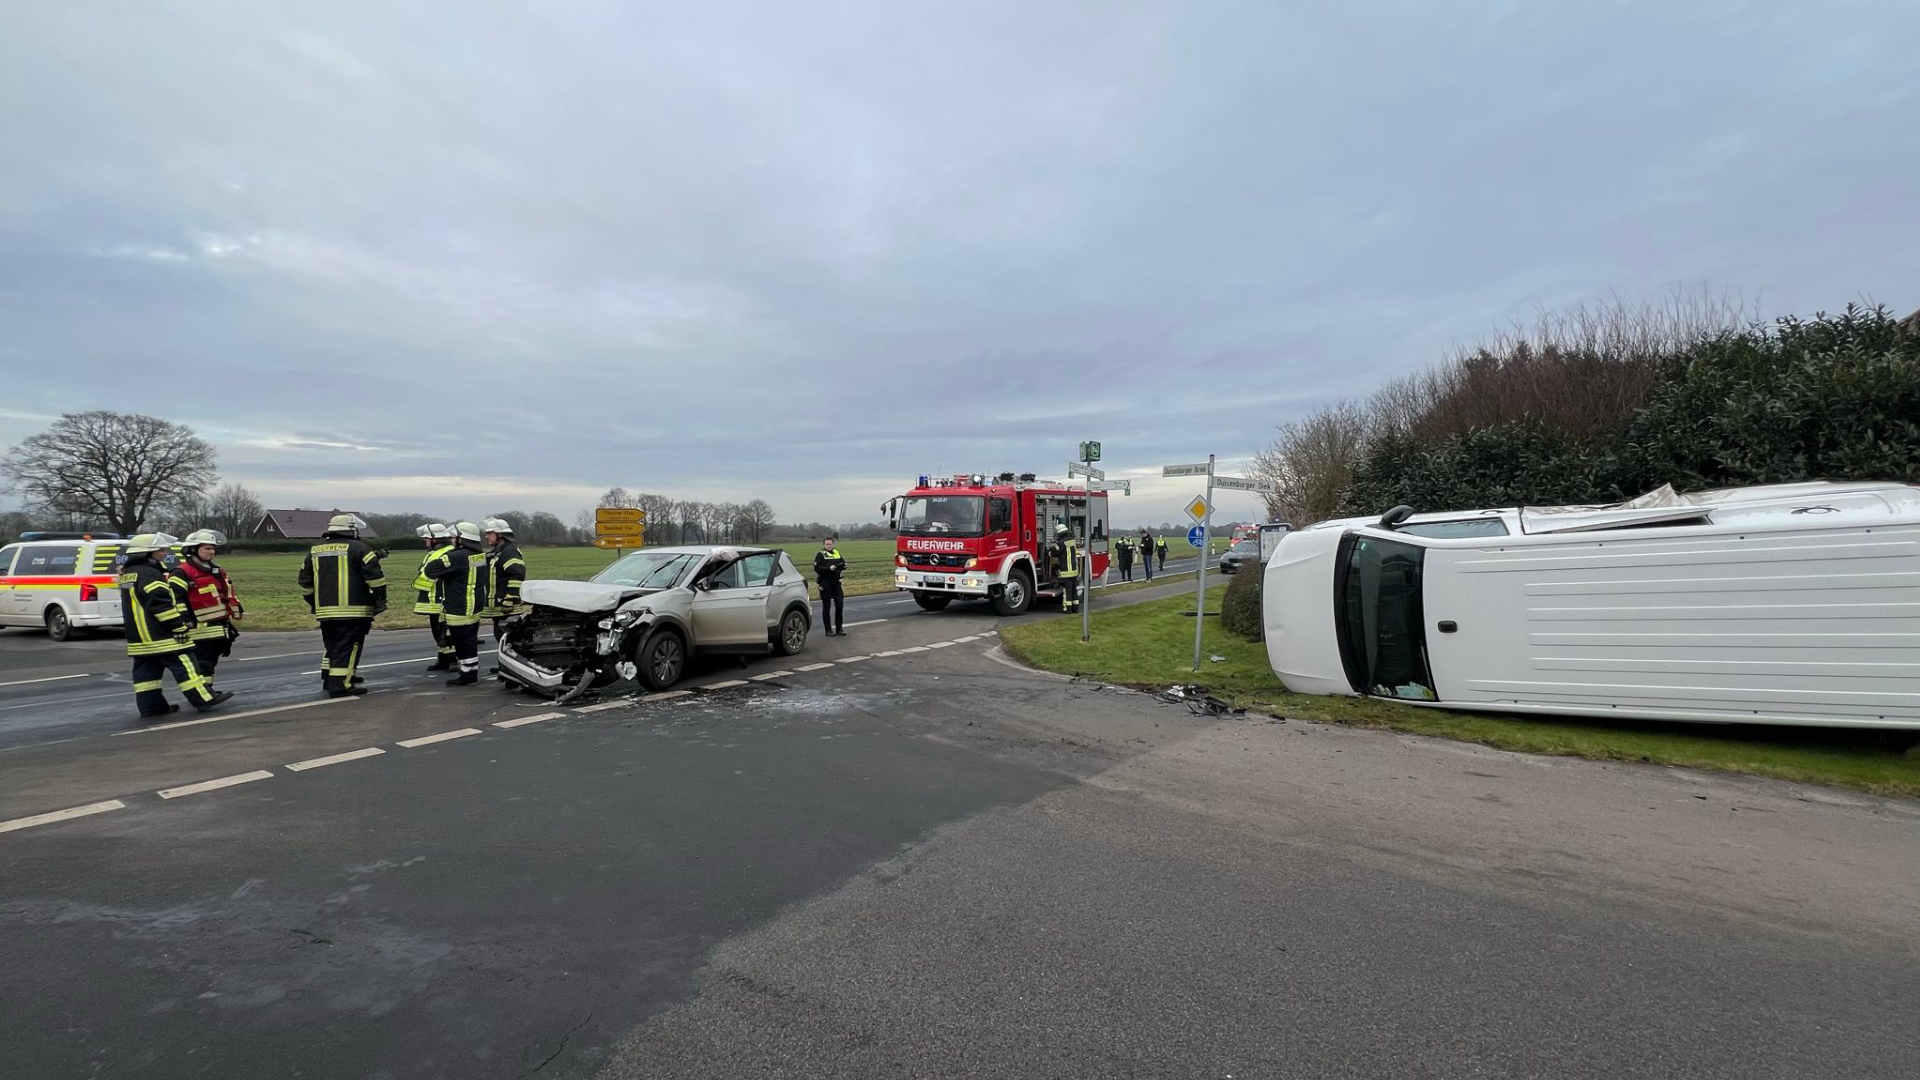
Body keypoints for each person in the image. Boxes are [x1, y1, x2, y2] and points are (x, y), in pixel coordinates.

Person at [118, 532, 230, 718]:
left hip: (138, 638)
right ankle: (203, 698)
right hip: (161, 636)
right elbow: (161, 605)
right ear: (148, 553)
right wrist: (178, 627)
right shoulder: (150, 575)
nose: (164, 553)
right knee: (186, 666)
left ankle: (152, 708)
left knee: (146, 677)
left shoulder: (128, 575)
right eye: (161, 550)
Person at [298, 513, 386, 698]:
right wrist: (379, 602)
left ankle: (331, 679)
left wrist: (314, 603)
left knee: (332, 646)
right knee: (349, 646)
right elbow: (376, 580)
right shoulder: (362, 548)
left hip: (325, 611)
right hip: (355, 610)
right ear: (351, 529)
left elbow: (305, 582)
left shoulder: (315, 550)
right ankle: (340, 685)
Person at [175, 528, 243, 685]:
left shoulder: (217, 571)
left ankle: (207, 690)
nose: (212, 552)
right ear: (193, 549)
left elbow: (228, 594)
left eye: (213, 548)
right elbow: (177, 601)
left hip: (218, 627)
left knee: (210, 662)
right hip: (197, 628)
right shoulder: (181, 573)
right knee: (202, 663)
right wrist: (184, 623)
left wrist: (234, 614)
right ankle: (203, 692)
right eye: (207, 548)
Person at [425, 521, 489, 686]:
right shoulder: (479, 556)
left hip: (458, 606)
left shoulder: (456, 556)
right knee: (470, 641)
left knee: (461, 642)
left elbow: (430, 570)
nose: (452, 540)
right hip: (474, 605)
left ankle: (467, 676)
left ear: (463, 538)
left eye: (454, 537)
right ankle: (470, 671)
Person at [413, 523, 456, 671]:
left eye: (427, 539)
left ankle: (453, 661)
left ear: (435, 539)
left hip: (442, 599)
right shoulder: (435, 552)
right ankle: (443, 659)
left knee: (446, 632)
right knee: (438, 632)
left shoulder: (448, 552)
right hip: (433, 600)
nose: (425, 542)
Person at [479, 517, 527, 643]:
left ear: (500, 535)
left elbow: (517, 575)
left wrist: (510, 598)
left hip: (507, 609)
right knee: (502, 640)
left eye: (489, 533)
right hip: (499, 609)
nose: (486, 536)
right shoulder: (497, 552)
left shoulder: (509, 551)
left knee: (510, 643)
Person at [813, 535, 847, 636]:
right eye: (827, 544)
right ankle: (828, 630)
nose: (828, 546)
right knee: (826, 607)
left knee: (840, 605)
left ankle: (839, 629)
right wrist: (829, 568)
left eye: (830, 544)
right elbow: (817, 568)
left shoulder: (837, 552)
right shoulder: (820, 554)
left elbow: (842, 562)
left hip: (836, 583)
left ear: (833, 544)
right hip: (825, 582)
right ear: (824, 545)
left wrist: (843, 566)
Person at [1050, 523, 1080, 613]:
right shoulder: (1072, 541)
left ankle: (1068, 609)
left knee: (1067, 592)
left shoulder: (1061, 543)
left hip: (1066, 572)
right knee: (1074, 591)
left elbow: (1056, 552)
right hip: (1074, 572)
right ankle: (1075, 608)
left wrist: (1050, 551)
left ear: (1059, 533)